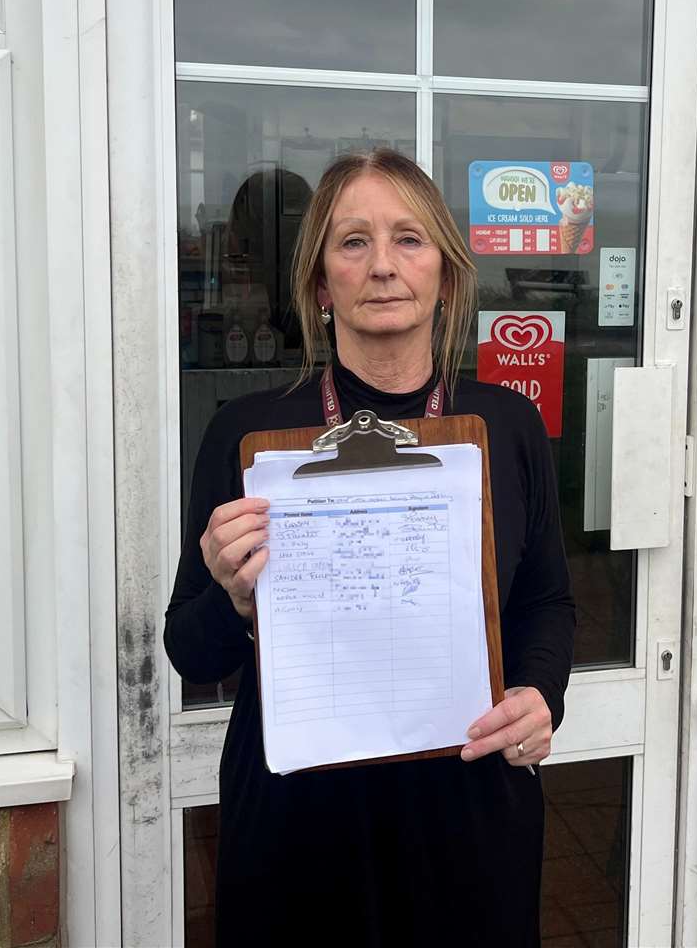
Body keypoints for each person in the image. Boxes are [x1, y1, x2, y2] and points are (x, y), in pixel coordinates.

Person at [164, 148, 576, 946]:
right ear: (321, 284)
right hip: (299, 822)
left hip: (466, 804)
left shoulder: (504, 426)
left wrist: (539, 692)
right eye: (353, 242)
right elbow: (191, 651)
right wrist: (229, 592)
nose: (382, 265)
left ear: (446, 277)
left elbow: (546, 599)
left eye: (408, 240)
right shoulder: (250, 438)